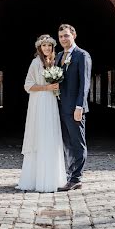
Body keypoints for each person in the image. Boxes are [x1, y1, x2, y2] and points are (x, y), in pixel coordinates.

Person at [17, 34, 67, 192]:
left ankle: (53, 177)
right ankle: (36, 179)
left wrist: (57, 88)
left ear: (52, 48)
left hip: (51, 102)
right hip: (39, 102)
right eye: (44, 45)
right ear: (39, 47)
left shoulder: (54, 62)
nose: (46, 48)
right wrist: (46, 88)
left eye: (49, 46)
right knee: (41, 135)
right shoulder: (35, 63)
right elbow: (28, 85)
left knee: (51, 136)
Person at [56, 24, 92, 191]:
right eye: (61, 36)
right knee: (67, 143)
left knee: (77, 143)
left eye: (66, 36)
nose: (64, 39)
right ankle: (71, 175)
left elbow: (84, 84)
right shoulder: (58, 56)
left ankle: (76, 178)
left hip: (75, 108)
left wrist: (80, 106)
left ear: (74, 36)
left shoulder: (82, 55)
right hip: (60, 108)